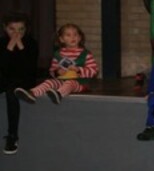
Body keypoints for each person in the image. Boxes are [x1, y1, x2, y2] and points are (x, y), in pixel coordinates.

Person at [16, 23, 98, 105]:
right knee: (49, 82)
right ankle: (32, 93)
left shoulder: (86, 54)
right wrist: (57, 72)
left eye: (75, 35)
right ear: (61, 39)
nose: (72, 37)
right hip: (62, 81)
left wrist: (78, 70)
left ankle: (58, 94)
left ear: (80, 38)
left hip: (80, 83)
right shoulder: (58, 54)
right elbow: (52, 70)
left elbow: (94, 71)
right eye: (68, 35)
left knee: (70, 83)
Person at [1, 13, 38, 154]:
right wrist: (10, 47)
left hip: (24, 80)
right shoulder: (1, 43)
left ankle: (12, 136)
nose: (16, 33)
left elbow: (28, 68)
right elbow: (2, 67)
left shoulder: (31, 43)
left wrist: (20, 46)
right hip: (5, 78)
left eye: (21, 29)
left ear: (26, 29)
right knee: (8, 85)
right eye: (12, 29)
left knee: (12, 92)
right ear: (5, 28)